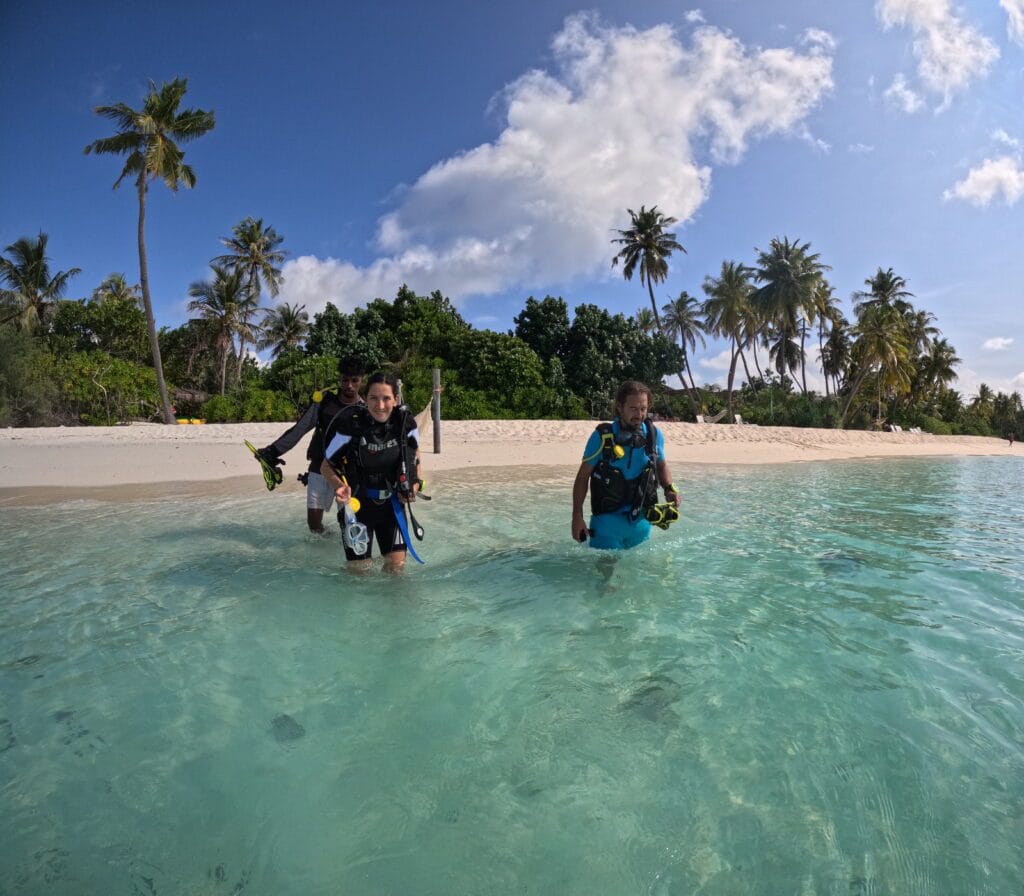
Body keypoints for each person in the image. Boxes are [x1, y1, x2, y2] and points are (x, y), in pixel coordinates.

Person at [320, 373, 423, 572]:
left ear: (396, 399)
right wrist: (339, 487)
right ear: (365, 398)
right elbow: (326, 466)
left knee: (397, 569)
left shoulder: (405, 423)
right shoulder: (351, 425)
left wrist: (415, 483)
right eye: (374, 398)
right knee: (359, 573)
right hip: (356, 509)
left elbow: (415, 456)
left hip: (392, 507)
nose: (380, 405)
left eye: (386, 398)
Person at [255, 355, 366, 533]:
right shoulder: (324, 403)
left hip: (348, 474)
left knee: (349, 525)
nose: (349, 385)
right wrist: (272, 452)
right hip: (318, 467)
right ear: (339, 379)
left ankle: (345, 553)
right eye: (345, 380)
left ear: (362, 381)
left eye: (354, 380)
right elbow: (301, 428)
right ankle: (325, 547)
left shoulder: (365, 410)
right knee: (314, 526)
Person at [571, 380, 681, 551]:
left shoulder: (654, 435)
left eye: (643, 408)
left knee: (641, 576)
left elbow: (661, 465)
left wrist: (669, 488)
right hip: (607, 525)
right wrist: (577, 516)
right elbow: (583, 477)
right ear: (619, 407)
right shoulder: (602, 437)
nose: (639, 414)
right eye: (633, 408)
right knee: (605, 577)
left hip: (641, 524)